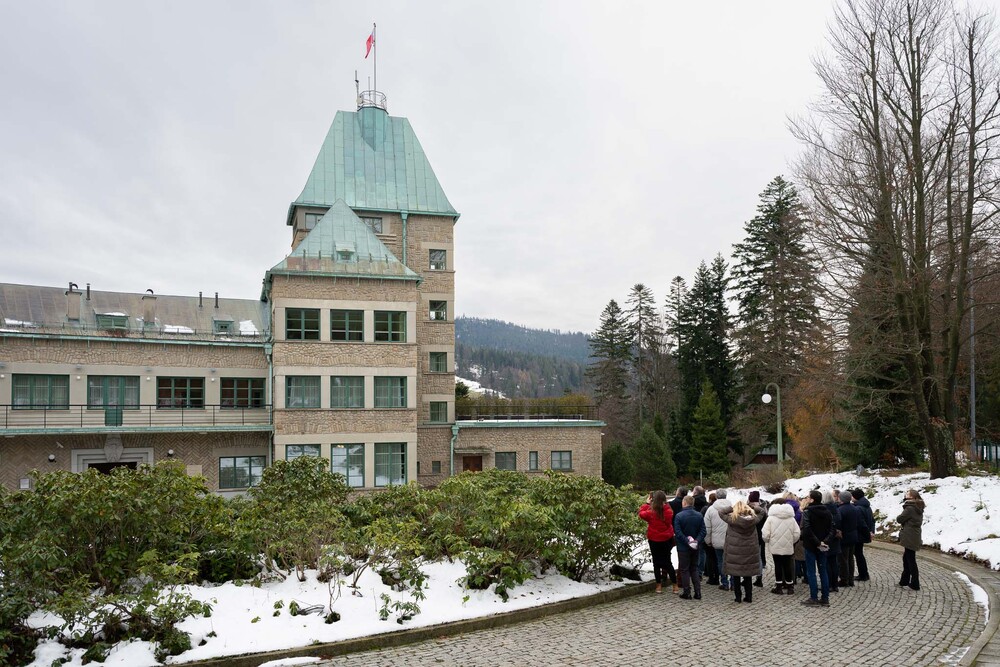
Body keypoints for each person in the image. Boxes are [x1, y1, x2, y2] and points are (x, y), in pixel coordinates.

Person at [719, 499, 766, 603]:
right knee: (748, 575)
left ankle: (738, 597)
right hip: (749, 551)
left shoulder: (732, 519)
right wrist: (752, 507)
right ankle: (749, 597)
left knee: (735, 575)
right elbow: (762, 512)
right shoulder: (753, 519)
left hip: (735, 551)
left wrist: (732, 508)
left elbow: (721, 512)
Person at [800, 490, 835, 606]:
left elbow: (807, 529)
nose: (806, 499)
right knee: (823, 571)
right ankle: (825, 598)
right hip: (823, 545)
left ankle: (814, 597)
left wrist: (818, 542)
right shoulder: (828, 512)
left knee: (811, 572)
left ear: (812, 500)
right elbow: (832, 529)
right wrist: (824, 542)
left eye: (808, 497)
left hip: (811, 545)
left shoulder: (807, 512)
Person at [639, 490, 676, 594]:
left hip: (654, 539)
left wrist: (647, 504)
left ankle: (658, 586)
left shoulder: (651, 512)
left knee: (656, 563)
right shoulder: (668, 511)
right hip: (666, 539)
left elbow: (641, 514)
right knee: (668, 562)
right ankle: (675, 586)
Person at [762, 497, 800, 594]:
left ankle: (778, 587)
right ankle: (790, 587)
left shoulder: (771, 518)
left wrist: (768, 541)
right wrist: (792, 541)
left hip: (775, 546)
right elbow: (797, 533)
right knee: (787, 565)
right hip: (788, 546)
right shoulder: (791, 518)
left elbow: (765, 533)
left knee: (777, 565)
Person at [673, 494, 706, 600]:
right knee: (694, 568)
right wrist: (697, 541)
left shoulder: (679, 516)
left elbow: (678, 532)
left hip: (683, 547)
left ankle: (687, 592)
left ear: (684, 503)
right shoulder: (699, 515)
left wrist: (687, 541)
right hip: (695, 547)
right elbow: (703, 531)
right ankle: (698, 592)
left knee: (684, 570)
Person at [704, 489, 733, 591]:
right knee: (731, 562)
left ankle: (724, 583)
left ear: (716, 497)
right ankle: (733, 583)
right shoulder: (732, 508)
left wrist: (708, 541)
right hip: (731, 540)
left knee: (720, 561)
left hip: (717, 540)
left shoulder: (711, 509)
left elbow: (707, 528)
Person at [897, 489, 925, 591]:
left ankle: (915, 583)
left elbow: (900, 519)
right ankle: (904, 580)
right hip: (914, 535)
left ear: (912, 497)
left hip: (910, 535)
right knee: (907, 558)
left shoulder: (910, 508)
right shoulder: (918, 506)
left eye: (908, 493)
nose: (906, 494)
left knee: (910, 560)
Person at [837, 490, 862, 587]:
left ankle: (844, 580)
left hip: (844, 537)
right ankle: (850, 579)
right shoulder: (855, 508)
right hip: (853, 536)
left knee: (843, 559)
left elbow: (839, 524)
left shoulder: (841, 510)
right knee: (850, 558)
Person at [852, 488, 875, 581]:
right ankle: (864, 574)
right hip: (865, 533)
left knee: (858, 554)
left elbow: (861, 523)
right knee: (859, 554)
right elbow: (872, 520)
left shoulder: (858, 508)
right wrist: (871, 531)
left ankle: (863, 574)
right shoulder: (867, 506)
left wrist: (867, 533)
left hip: (859, 534)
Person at [821, 489, 842, 593]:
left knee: (827, 563)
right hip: (835, 539)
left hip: (826, 539)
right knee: (834, 563)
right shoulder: (836, 509)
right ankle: (835, 584)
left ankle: (829, 584)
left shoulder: (824, 511)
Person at [784, 492, 806, 583]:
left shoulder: (783, 510)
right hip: (796, 536)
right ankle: (794, 578)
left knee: (784, 559)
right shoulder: (799, 511)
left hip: (785, 536)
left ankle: (786, 579)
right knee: (794, 558)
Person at [748, 490, 768, 587]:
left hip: (750, 536)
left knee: (748, 558)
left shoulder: (749, 509)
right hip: (760, 536)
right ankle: (759, 578)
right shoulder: (763, 509)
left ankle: (747, 578)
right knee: (759, 557)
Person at [702, 492, 720, 586]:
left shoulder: (706, 509)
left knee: (710, 558)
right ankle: (718, 577)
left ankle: (711, 577)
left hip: (709, 537)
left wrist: (706, 539)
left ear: (709, 499)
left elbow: (704, 524)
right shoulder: (721, 509)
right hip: (719, 537)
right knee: (717, 558)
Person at [692, 486, 709, 579]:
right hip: (703, 529)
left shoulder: (692, 502)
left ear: (695, 493)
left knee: (692, 551)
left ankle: (693, 571)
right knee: (702, 552)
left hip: (693, 529)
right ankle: (700, 572)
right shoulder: (706, 503)